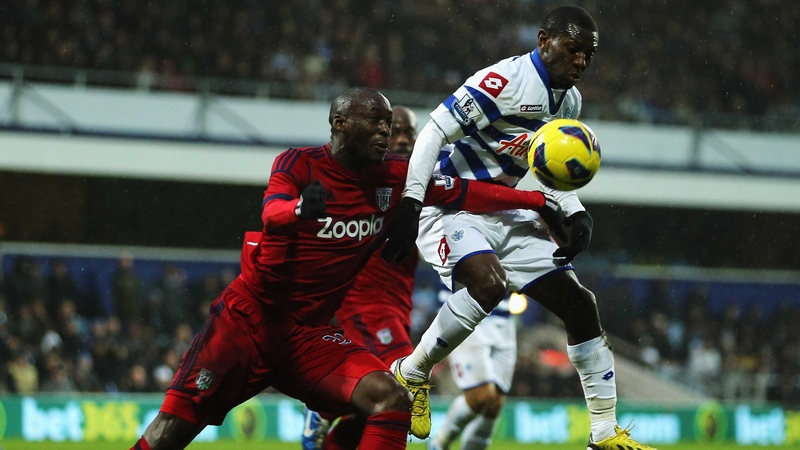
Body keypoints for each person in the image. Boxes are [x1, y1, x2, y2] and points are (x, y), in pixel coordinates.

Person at [130, 87, 564, 450]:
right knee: (171, 432)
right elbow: (272, 212)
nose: (385, 130)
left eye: (389, 123)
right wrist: (300, 209)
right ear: (339, 123)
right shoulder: (299, 163)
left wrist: (540, 201)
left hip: (310, 334)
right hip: (248, 323)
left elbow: (466, 193)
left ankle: (322, 420)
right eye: (375, 121)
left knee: (391, 399)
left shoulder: (396, 177)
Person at [379, 6, 656, 450]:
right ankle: (411, 373)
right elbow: (433, 131)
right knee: (489, 285)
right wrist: (412, 200)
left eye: (588, 55)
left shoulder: (569, 101)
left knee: (580, 304)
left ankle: (603, 432)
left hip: (503, 211)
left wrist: (575, 209)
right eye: (572, 50)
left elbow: (547, 166)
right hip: (451, 208)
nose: (581, 62)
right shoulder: (502, 82)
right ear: (544, 40)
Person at [300, 105, 420, 450]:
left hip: (397, 307)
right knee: (405, 385)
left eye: (408, 133)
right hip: (366, 307)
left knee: (378, 404)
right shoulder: (370, 173)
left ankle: (328, 420)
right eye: (393, 130)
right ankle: (324, 408)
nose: (401, 139)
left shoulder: (415, 180)